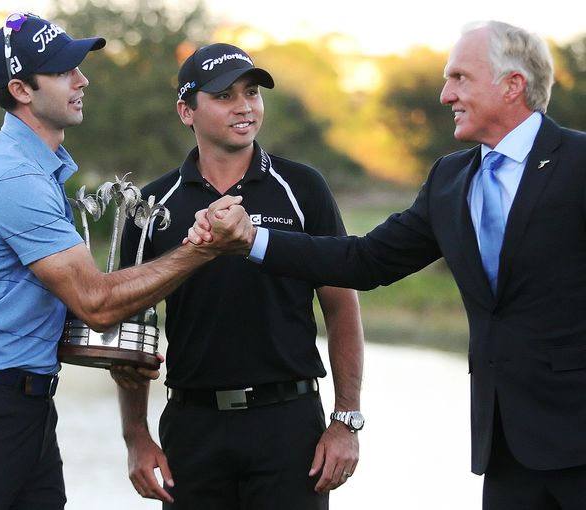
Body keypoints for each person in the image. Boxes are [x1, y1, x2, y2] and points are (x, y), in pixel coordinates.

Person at [193, 20, 586, 510]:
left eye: (460, 78)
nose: (445, 95)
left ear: (513, 85)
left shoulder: (579, 163)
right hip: (505, 449)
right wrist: (253, 240)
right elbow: (366, 260)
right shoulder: (450, 179)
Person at [0, 13, 248, 510]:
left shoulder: (37, 169)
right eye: (65, 71)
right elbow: (96, 303)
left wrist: (120, 354)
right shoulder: (13, 177)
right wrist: (203, 248)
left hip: (21, 407)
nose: (82, 80)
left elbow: (64, 306)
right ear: (22, 89)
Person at [117, 43, 364, 510]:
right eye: (225, 96)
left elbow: (341, 305)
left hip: (289, 425)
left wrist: (345, 420)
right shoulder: (152, 207)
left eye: (251, 92)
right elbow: (134, 334)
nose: (245, 106)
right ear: (186, 111)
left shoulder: (303, 188)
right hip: (192, 427)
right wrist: (136, 436)